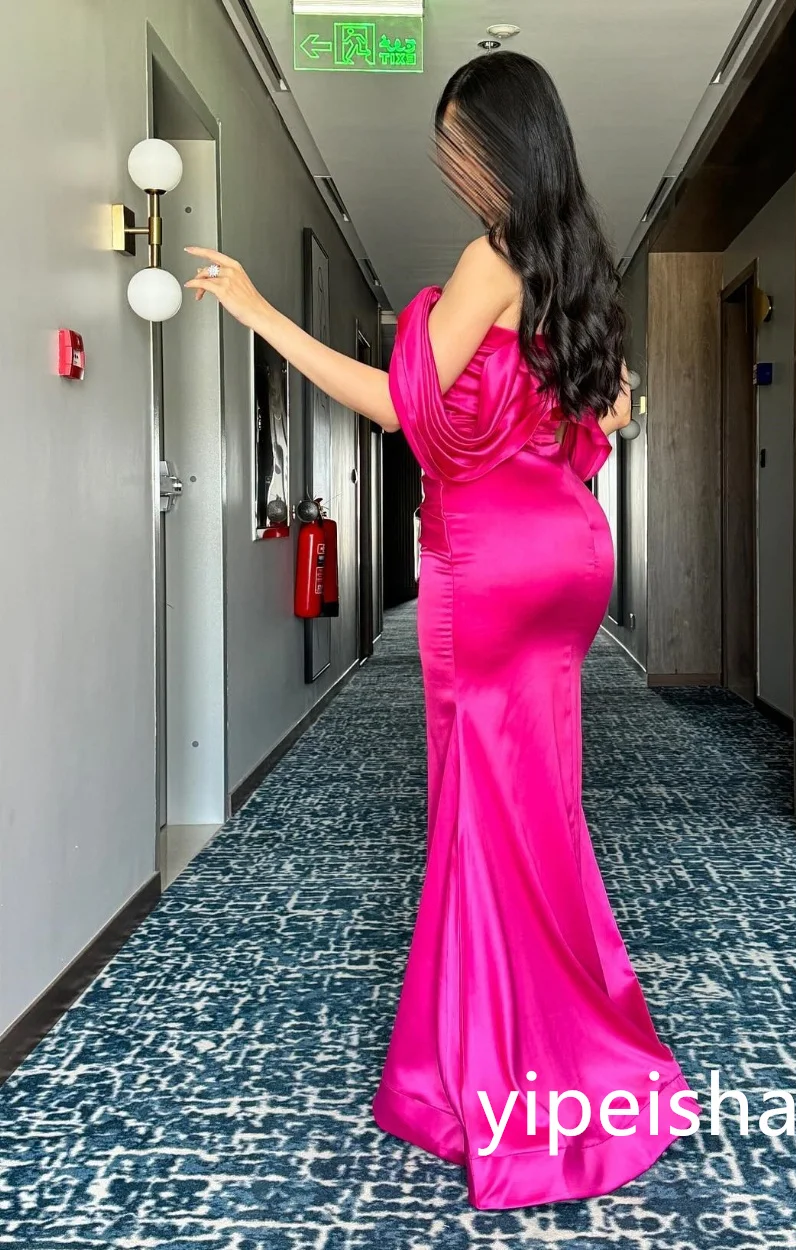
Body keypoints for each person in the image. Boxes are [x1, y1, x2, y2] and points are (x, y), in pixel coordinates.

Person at [185, 50, 697, 1212]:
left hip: (492, 561)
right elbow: (615, 408)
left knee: (485, 811)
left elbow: (401, 407)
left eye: (456, 142)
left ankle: (525, 1081)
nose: (446, 162)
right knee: (533, 801)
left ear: (500, 145)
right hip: (568, 549)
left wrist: (260, 313)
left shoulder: (490, 258)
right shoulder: (576, 267)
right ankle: (527, 1049)